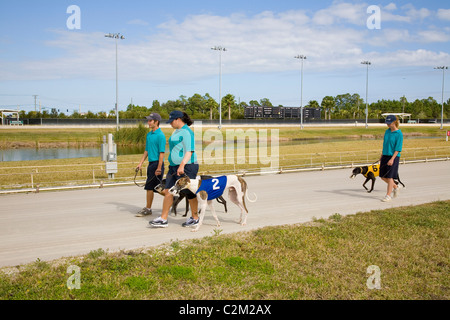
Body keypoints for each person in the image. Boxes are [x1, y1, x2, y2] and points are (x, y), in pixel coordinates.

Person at [150, 110, 199, 228]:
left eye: (172, 121)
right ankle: (163, 218)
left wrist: (182, 165)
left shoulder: (187, 132)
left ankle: (195, 217)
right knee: (167, 191)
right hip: (173, 167)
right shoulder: (176, 131)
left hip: (187, 166)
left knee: (189, 192)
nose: (170, 124)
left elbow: (189, 151)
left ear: (178, 120)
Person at [135, 113, 166, 217]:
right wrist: (140, 163)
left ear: (156, 122)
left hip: (157, 164)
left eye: (150, 121)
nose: (148, 122)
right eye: (148, 120)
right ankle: (171, 197)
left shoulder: (161, 136)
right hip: (151, 164)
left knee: (153, 187)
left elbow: (162, 153)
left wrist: (159, 167)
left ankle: (149, 208)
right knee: (153, 187)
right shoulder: (149, 135)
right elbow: (146, 150)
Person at [379, 114, 403, 202]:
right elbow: (385, 144)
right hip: (385, 155)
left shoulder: (399, 134)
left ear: (394, 122)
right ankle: (396, 187)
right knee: (382, 176)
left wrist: (392, 159)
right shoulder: (387, 131)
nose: (387, 124)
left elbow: (398, 148)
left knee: (389, 177)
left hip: (394, 157)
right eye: (387, 123)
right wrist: (382, 154)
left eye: (389, 123)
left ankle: (388, 196)